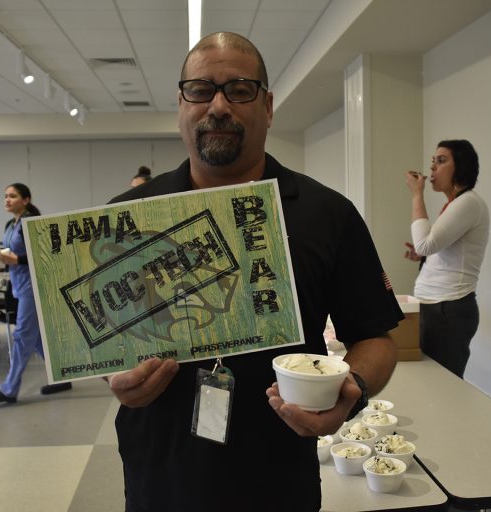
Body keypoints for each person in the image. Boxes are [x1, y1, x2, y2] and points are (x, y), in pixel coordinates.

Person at [106, 32, 403, 512]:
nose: (218, 106)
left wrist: (354, 388)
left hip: (278, 479)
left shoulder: (327, 214)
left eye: (239, 90)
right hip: (161, 475)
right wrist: (112, 378)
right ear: (181, 105)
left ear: (267, 107)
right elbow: (102, 345)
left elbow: (376, 337)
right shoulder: (127, 218)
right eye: (200, 90)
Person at [404, 139, 490, 378]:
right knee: (430, 381)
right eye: (433, 161)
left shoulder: (468, 202)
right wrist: (422, 255)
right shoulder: (456, 204)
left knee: (442, 384)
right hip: (438, 307)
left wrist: (416, 195)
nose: (432, 167)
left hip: (448, 310)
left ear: (461, 166)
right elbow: (433, 247)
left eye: (441, 161)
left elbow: (425, 243)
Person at [0, 183, 71, 403]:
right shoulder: (10, 224)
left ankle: (9, 389)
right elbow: (10, 251)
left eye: (12, 196)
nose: (7, 200)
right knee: (37, 337)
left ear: (26, 200)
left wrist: (17, 260)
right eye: (5, 196)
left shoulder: (30, 222)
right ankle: (63, 376)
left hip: (33, 285)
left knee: (22, 335)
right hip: (19, 284)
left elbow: (45, 254)